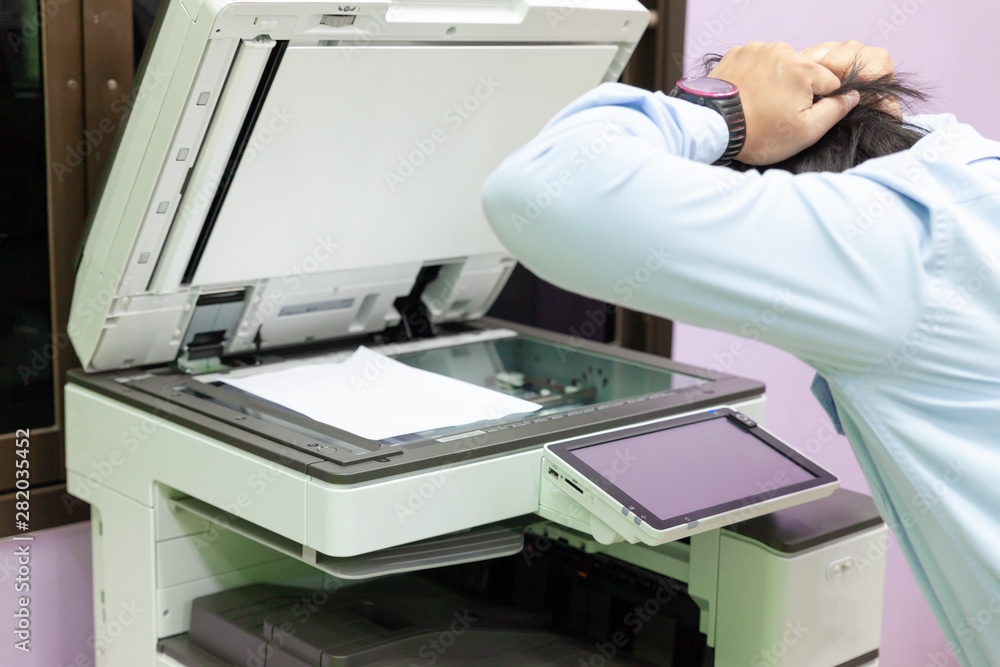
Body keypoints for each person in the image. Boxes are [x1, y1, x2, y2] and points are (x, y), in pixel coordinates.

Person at [481, 40, 1000, 666]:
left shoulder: (894, 242)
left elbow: (538, 188)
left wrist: (719, 112)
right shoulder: (973, 179)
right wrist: (871, 103)